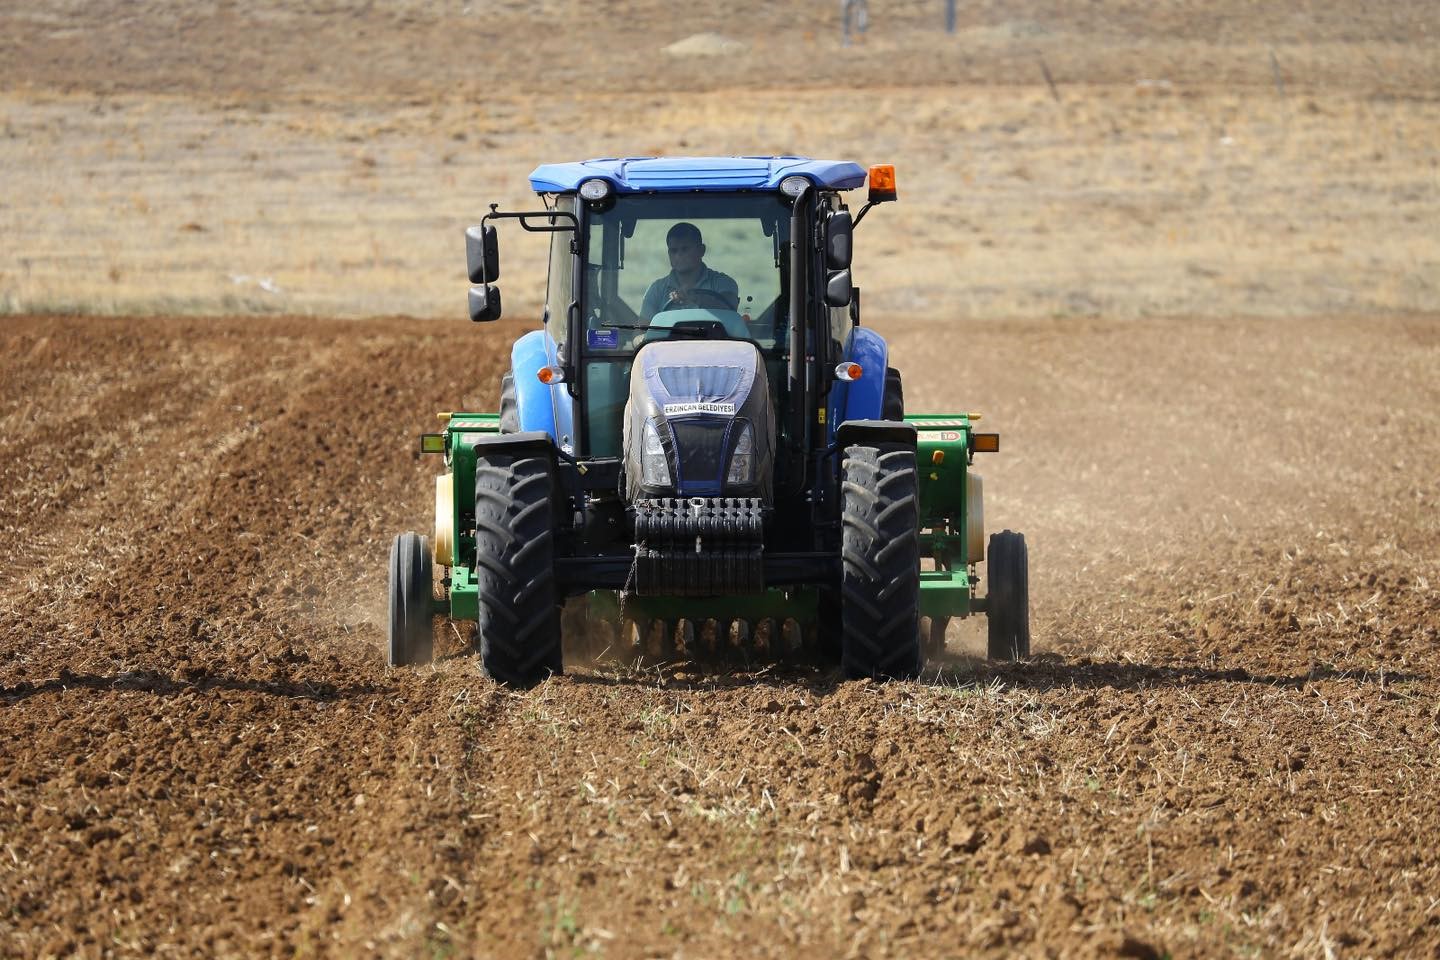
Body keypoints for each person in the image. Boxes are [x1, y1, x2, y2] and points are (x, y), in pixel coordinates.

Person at [640, 222, 739, 321]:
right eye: (674, 251)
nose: (678, 255)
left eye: (685, 249)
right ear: (669, 253)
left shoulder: (723, 284)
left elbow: (730, 315)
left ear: (701, 250)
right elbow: (641, 333)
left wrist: (696, 298)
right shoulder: (656, 290)